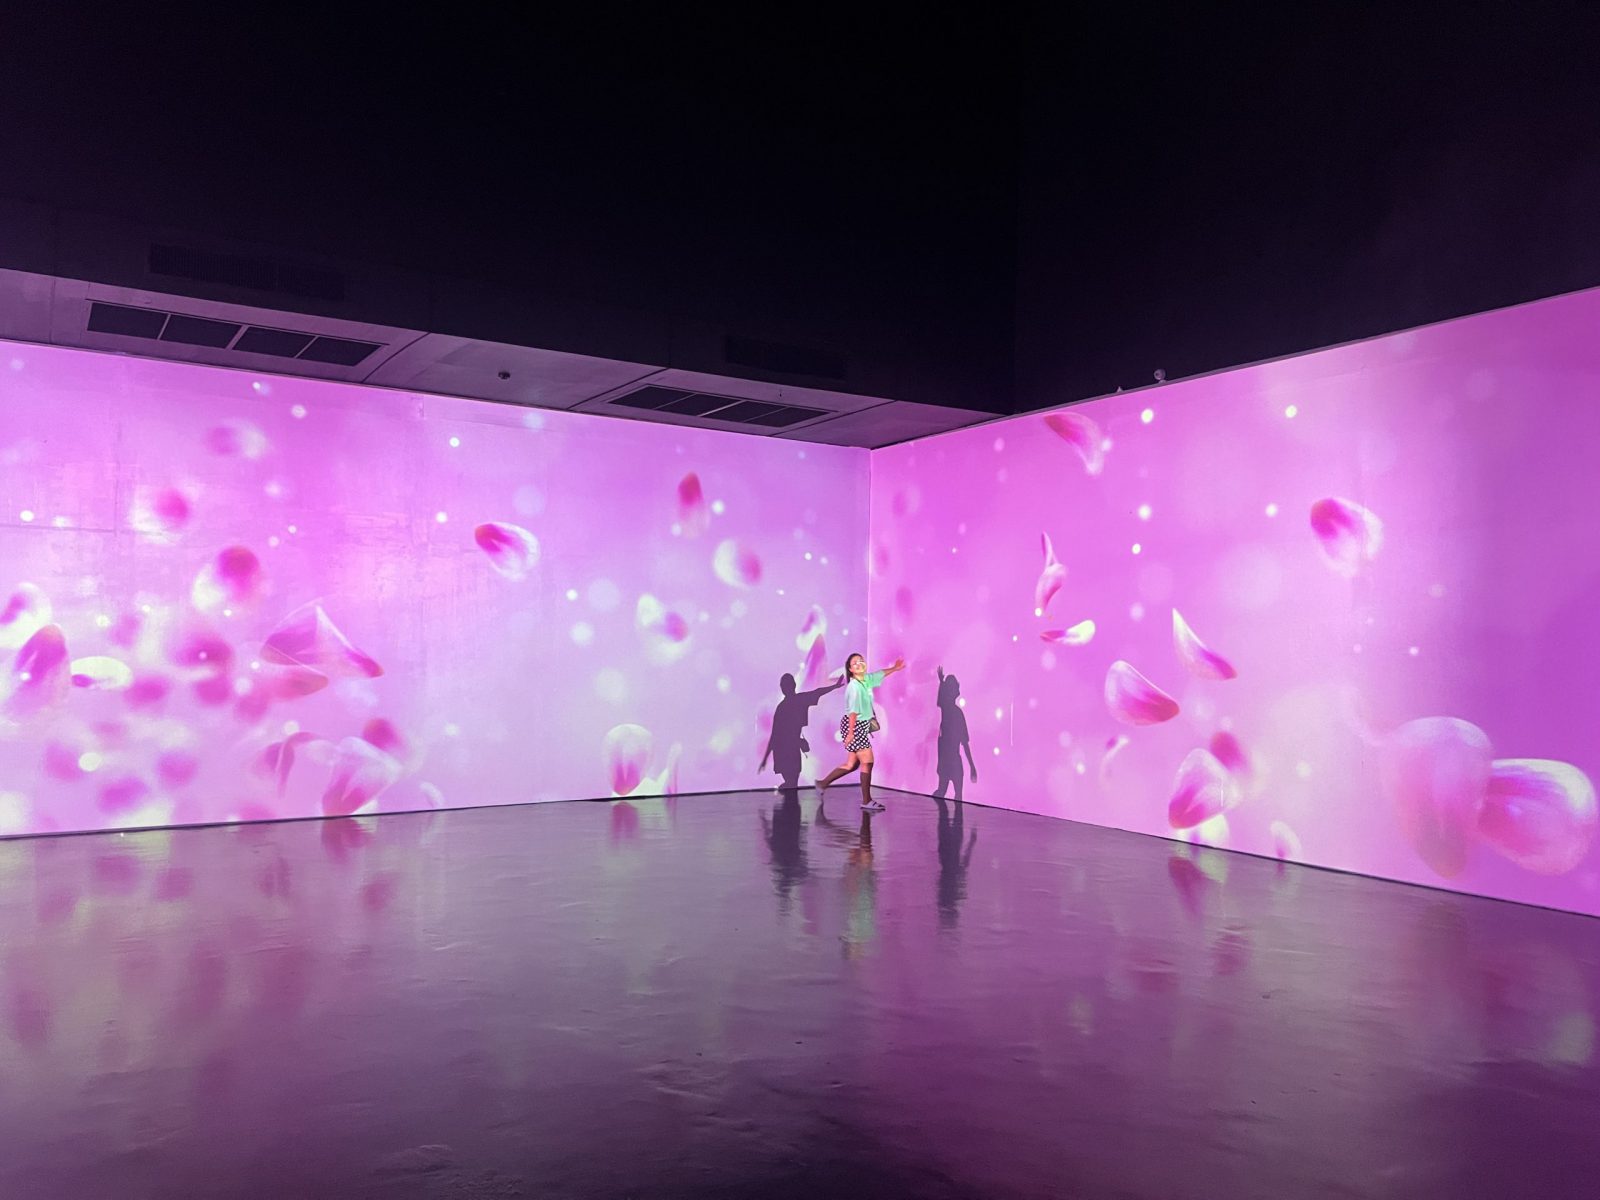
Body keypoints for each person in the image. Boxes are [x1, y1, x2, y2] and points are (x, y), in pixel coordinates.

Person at [816, 652, 906, 811]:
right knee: (867, 762)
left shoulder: (865, 680)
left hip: (858, 725)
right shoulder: (854, 687)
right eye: (855, 663)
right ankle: (866, 800)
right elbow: (853, 712)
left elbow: (879, 674)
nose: (859, 664)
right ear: (850, 669)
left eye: (861, 661)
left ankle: (822, 784)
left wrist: (895, 668)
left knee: (851, 764)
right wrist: (851, 733)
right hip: (854, 725)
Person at [758, 672, 846, 790]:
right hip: (790, 751)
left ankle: (789, 795)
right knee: (791, 782)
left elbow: (817, 692)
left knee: (791, 782)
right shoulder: (790, 704)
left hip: (792, 750)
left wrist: (834, 687)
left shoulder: (787, 705)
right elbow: (818, 692)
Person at [933, 666, 978, 801]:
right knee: (950, 793)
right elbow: (965, 743)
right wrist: (971, 765)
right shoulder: (954, 713)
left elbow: (964, 742)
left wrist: (942, 682)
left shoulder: (952, 712)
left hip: (949, 760)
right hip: (950, 760)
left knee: (946, 791)